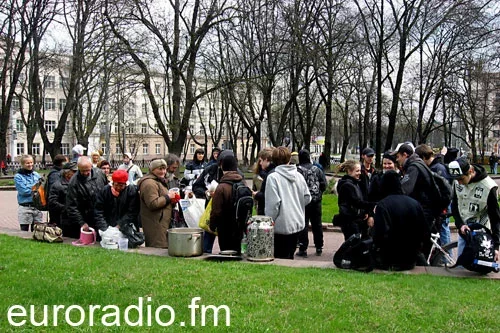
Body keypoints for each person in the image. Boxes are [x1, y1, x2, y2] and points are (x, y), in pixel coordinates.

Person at [372, 171, 431, 270]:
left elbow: (380, 234)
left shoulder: (383, 205)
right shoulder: (414, 203)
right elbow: (425, 232)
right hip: (411, 258)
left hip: (389, 258)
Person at [192, 150, 245, 253]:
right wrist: (206, 193)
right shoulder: (210, 170)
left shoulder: (238, 174)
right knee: (209, 237)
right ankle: (206, 253)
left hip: (231, 214)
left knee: (229, 245)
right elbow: (197, 186)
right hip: (211, 210)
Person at [448, 157, 500, 262]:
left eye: (461, 179)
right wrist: (460, 224)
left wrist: (496, 246)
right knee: (462, 266)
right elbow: (455, 204)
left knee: (479, 267)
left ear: (471, 171)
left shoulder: (489, 187)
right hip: (464, 231)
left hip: (482, 234)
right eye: (457, 180)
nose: (459, 183)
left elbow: (495, 218)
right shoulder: (457, 181)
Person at [265, 146, 311, 259]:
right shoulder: (299, 176)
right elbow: (307, 198)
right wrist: (296, 206)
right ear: (289, 159)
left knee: (279, 257)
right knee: (290, 254)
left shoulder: (273, 178)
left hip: (280, 225)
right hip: (296, 223)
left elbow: (273, 205)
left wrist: (270, 221)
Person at [393, 142, 437, 237]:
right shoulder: (418, 163)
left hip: (423, 210)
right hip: (425, 208)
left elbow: (404, 190)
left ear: (405, 155)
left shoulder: (413, 167)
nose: (397, 159)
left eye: (398, 156)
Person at [415, 144, 452, 246]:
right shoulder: (436, 166)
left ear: (423, 157)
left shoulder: (436, 169)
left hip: (441, 208)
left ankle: (446, 258)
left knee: (443, 232)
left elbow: (441, 190)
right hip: (441, 207)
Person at [209, 154, 246, 253]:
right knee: (237, 252)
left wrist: (212, 225)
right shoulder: (242, 183)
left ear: (222, 167)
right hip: (240, 226)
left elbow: (216, 210)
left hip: (225, 227)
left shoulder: (221, 187)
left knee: (226, 252)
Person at [137, 159, 178, 248]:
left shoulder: (158, 181)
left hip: (162, 223)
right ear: (152, 170)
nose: (163, 171)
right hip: (155, 224)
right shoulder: (149, 183)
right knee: (157, 250)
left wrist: (172, 201)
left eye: (164, 169)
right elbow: (153, 203)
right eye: (160, 169)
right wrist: (168, 197)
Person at [65, 156, 109, 238]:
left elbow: (107, 192)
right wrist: (81, 223)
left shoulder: (100, 174)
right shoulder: (74, 183)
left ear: (91, 166)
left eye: (87, 170)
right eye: (83, 171)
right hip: (87, 216)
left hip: (102, 214)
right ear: (78, 168)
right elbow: (71, 206)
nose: (85, 173)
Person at [296, 149, 327, 257]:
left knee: (303, 225)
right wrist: (319, 194)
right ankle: (319, 246)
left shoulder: (298, 170)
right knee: (317, 224)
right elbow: (324, 184)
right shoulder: (317, 169)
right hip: (316, 201)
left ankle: (303, 248)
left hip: (302, 202)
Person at [336, 159, 376, 240]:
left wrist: (364, 211)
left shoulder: (354, 183)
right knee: (353, 245)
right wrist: (373, 205)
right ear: (350, 171)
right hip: (350, 221)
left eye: (360, 171)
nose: (360, 173)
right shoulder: (348, 185)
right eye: (357, 171)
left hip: (353, 219)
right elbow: (356, 202)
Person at [14, 155, 43, 231]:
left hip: (37, 206)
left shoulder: (36, 175)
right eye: (27, 163)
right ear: (23, 164)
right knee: (24, 231)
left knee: (37, 230)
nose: (30, 165)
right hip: (25, 207)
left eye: (31, 162)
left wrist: (32, 188)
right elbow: (23, 191)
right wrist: (36, 187)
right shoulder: (18, 177)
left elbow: (41, 187)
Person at [48, 162, 77, 229]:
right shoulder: (57, 185)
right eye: (74, 171)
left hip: (75, 218)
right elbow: (52, 202)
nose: (76, 173)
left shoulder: (77, 184)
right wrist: (66, 208)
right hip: (62, 220)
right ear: (67, 173)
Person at [252, 147, 275, 215]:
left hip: (267, 211)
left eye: (261, 160)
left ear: (266, 160)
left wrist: (257, 194)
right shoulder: (270, 173)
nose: (260, 163)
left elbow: (269, 196)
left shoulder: (270, 175)